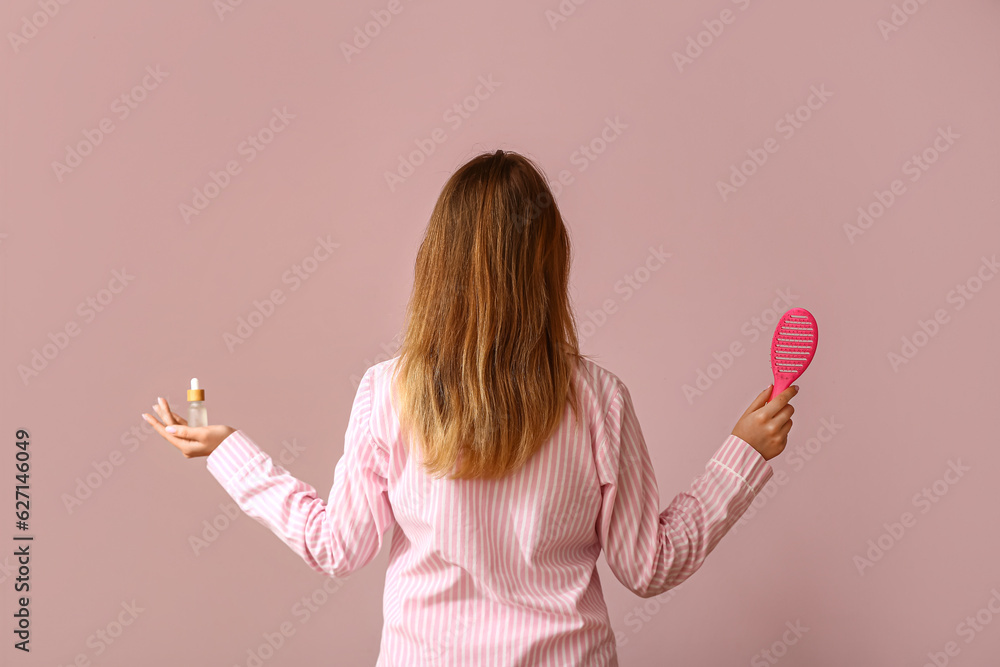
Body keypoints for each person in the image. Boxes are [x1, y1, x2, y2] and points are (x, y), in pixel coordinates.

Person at [141, 149, 798, 666]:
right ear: (549, 265)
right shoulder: (599, 399)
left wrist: (227, 451)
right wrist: (741, 454)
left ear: (437, 263)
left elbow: (335, 545)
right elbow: (646, 564)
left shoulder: (386, 393)